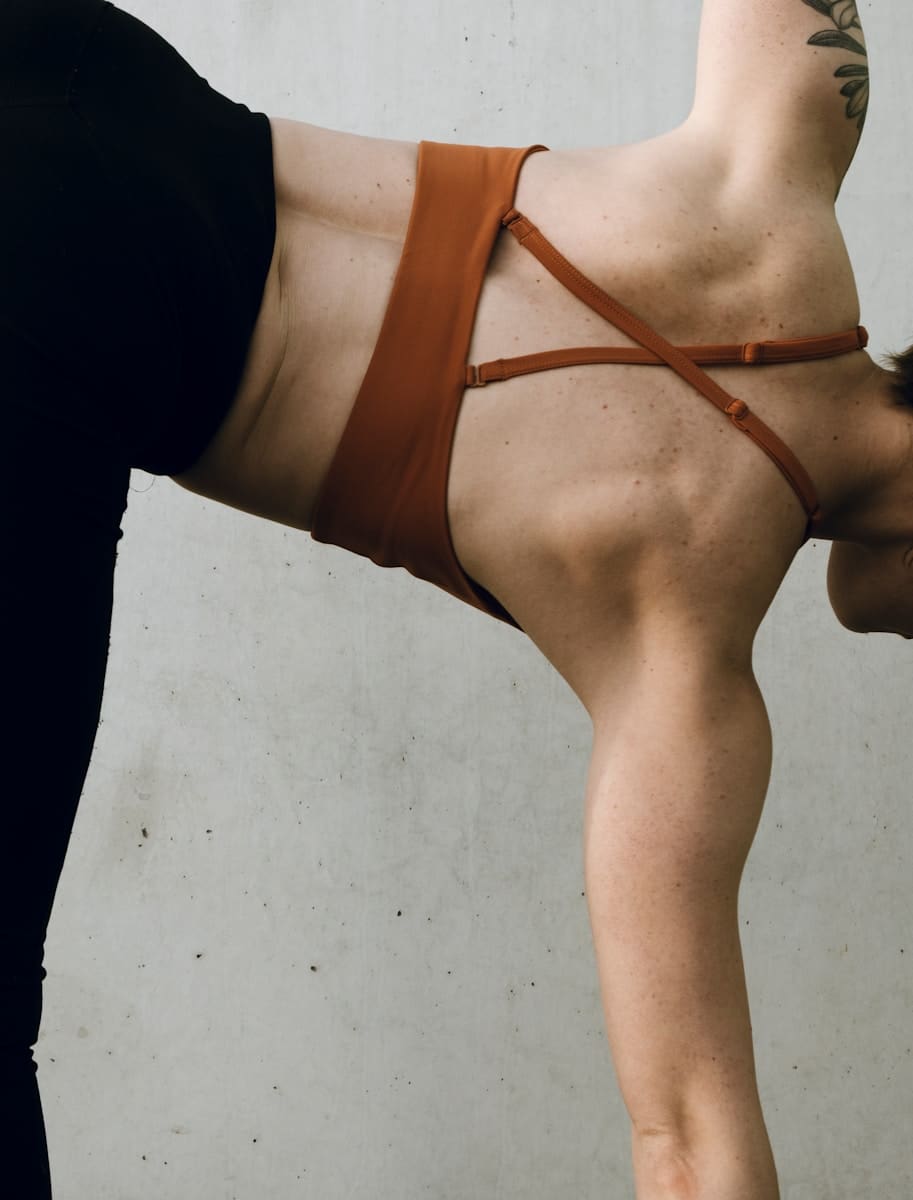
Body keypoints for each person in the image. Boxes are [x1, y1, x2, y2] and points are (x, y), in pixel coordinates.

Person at [2, 0, 908, 1196]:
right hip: (59, 322)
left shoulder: (784, 138)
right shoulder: (682, 659)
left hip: (80, 67)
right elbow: (688, 1143)